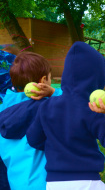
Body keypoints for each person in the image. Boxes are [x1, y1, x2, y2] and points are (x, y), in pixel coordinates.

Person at [27, 41, 105, 190]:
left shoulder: (46, 106)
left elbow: (33, 139)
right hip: (88, 183)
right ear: (98, 78)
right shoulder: (92, 109)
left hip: (54, 183)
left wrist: (56, 143)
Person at [0, 51, 63, 190]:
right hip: (46, 183)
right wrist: (54, 92)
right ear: (43, 81)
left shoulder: (2, 110)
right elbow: (76, 103)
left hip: (16, 184)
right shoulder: (48, 107)